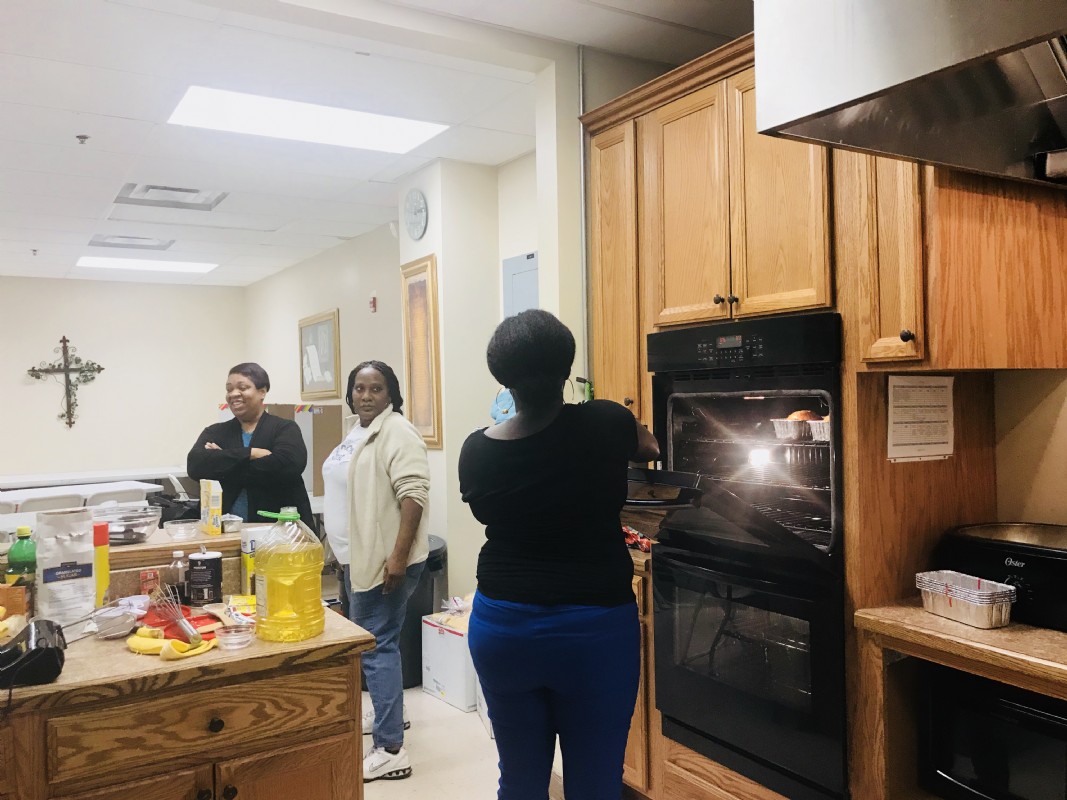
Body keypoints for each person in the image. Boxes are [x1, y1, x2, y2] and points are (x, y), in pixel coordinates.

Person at [458, 309, 660, 800]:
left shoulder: (476, 451)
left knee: (520, 779)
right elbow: (650, 448)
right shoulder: (605, 420)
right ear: (567, 368)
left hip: (502, 628)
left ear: (502, 378)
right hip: (594, 630)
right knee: (595, 782)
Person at [321, 360, 429, 783]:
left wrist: (397, 557)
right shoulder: (357, 429)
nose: (365, 396)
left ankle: (390, 749)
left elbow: (413, 495)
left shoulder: (397, 431)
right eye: (359, 388)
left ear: (391, 394)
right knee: (373, 642)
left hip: (382, 562)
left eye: (376, 389)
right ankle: (390, 716)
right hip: (354, 558)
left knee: (376, 645)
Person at [186, 363, 314, 529]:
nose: (233, 394)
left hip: (277, 531)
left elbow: (288, 465)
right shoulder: (215, 432)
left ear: (262, 392)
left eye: (242, 388)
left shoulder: (284, 428)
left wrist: (224, 461)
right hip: (224, 531)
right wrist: (252, 453)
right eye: (229, 389)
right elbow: (195, 466)